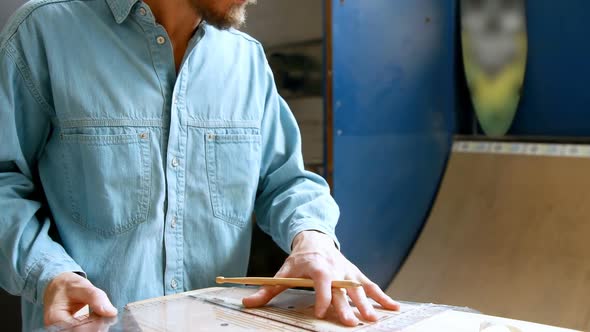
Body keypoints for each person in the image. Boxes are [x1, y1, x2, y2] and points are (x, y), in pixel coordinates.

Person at [0, 0, 399, 329]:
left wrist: (312, 237)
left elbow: (285, 181)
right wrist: (50, 274)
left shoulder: (247, 61)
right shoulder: (44, 35)